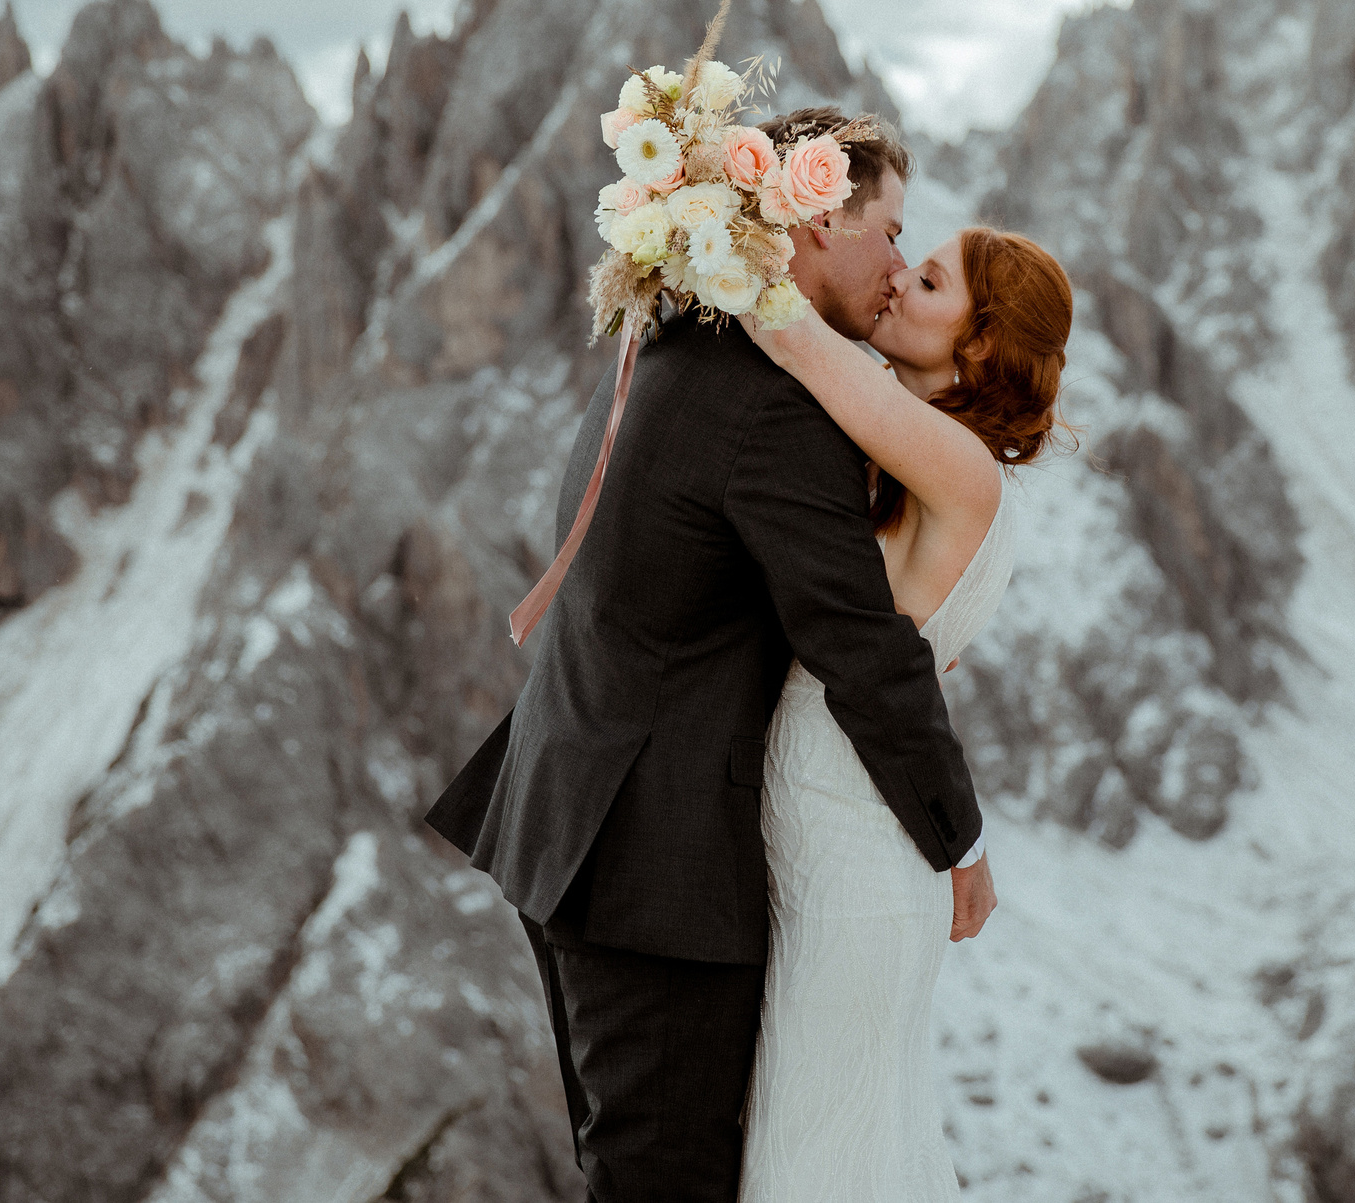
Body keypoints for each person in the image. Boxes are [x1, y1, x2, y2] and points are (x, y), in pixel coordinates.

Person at [425, 107, 988, 1202]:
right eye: (889, 231)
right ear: (817, 220)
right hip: (652, 868)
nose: (899, 264)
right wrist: (957, 838)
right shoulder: (771, 409)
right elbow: (860, 647)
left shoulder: (677, 340)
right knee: (663, 1179)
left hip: (578, 819)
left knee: (635, 1166)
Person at [737, 214, 1072, 1202]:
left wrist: (710, 204)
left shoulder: (956, 466)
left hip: (852, 866)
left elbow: (787, 329)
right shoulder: (924, 456)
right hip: (836, 835)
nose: (894, 284)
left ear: (975, 346)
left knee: (810, 1160)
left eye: (926, 283)